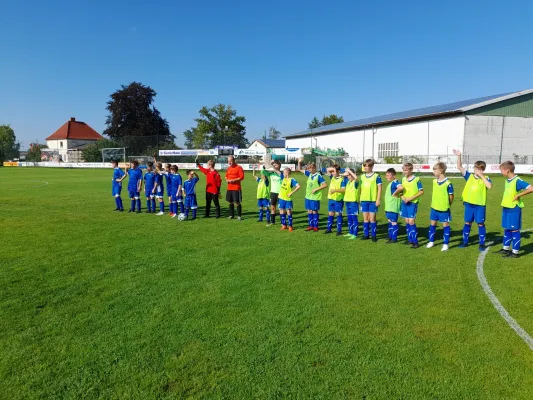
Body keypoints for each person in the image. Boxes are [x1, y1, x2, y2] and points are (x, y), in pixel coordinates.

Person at [453, 149, 492, 251]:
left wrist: (482, 176)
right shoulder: (469, 176)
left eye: (480, 169)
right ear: (474, 168)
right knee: (467, 223)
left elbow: (489, 186)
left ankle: (482, 244)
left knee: (480, 223)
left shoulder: (486, 178)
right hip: (469, 205)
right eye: (476, 168)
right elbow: (459, 167)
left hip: (480, 205)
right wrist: (459, 156)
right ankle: (465, 242)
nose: (478, 171)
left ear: (483, 170)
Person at [496, 161, 533, 258]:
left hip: (514, 209)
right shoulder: (507, 180)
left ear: (507, 170)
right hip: (506, 207)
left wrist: (518, 195)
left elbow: (531, 188)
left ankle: (515, 252)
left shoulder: (517, 180)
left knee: (514, 230)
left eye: (501, 170)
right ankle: (505, 249)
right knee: (507, 228)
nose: (501, 172)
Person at [426, 162, 454, 252]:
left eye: (435, 170)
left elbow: (451, 196)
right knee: (432, 224)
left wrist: (448, 204)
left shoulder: (448, 183)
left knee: (445, 225)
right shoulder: (434, 181)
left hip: (444, 209)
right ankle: (431, 241)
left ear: (441, 171)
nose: (433, 172)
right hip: (434, 208)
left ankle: (445, 244)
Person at [297, 159, 327, 232]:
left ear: (314, 168)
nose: (308, 169)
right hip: (308, 196)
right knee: (309, 211)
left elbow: (325, 185)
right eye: (308, 168)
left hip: (315, 197)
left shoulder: (318, 176)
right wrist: (299, 162)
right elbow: (299, 169)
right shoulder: (309, 174)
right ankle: (311, 226)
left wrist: (316, 189)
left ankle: (316, 227)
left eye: (310, 168)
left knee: (314, 211)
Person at [399, 162, 424, 248]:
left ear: (411, 170)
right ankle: (410, 240)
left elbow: (421, 191)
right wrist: (402, 197)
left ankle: (415, 242)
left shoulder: (416, 179)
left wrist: (411, 198)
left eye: (406, 170)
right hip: (404, 202)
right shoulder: (403, 179)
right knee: (406, 221)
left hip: (412, 203)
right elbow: (400, 191)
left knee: (411, 221)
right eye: (403, 170)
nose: (404, 172)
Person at [360, 159, 382, 241]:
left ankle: (373, 235)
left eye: (367, 166)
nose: (365, 167)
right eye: (364, 166)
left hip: (373, 201)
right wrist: (360, 199)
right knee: (365, 218)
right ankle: (366, 235)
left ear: (372, 166)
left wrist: (378, 199)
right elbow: (361, 189)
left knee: (372, 219)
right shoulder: (362, 177)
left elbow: (379, 188)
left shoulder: (376, 176)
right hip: (364, 200)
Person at [324, 164, 348, 236]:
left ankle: (339, 230)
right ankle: (329, 229)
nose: (332, 173)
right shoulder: (332, 177)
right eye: (332, 172)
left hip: (338, 200)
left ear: (338, 171)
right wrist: (333, 169)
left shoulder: (342, 179)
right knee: (330, 213)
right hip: (331, 199)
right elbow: (327, 169)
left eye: (334, 171)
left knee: (338, 214)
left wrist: (335, 190)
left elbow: (343, 190)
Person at [262, 160, 283, 226]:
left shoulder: (281, 174)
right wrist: (263, 167)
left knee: (281, 208)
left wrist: (271, 165)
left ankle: (283, 222)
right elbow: (263, 172)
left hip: (281, 193)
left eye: (276, 165)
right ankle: (272, 222)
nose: (275, 166)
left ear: (279, 166)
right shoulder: (271, 174)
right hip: (273, 193)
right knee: (273, 208)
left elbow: (277, 171)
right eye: (274, 165)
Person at [384, 168, 402, 243]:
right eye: (386, 175)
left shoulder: (395, 182)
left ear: (393, 175)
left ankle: (394, 238)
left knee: (393, 222)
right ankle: (390, 236)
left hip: (393, 207)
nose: (386, 177)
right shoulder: (391, 183)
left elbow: (401, 187)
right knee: (390, 221)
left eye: (388, 175)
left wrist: (395, 194)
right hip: (389, 207)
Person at [225, 155, 245, 220]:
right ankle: (231, 215)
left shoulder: (239, 167)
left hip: (236, 188)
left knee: (237, 202)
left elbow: (242, 177)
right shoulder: (228, 168)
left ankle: (239, 216)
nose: (229, 163)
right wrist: (226, 179)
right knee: (230, 201)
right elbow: (226, 176)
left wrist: (234, 180)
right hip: (229, 188)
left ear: (233, 160)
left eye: (230, 161)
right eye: (228, 161)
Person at [343, 168, 360, 239]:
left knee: (354, 218)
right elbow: (343, 175)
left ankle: (355, 234)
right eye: (348, 175)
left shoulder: (355, 183)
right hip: (348, 202)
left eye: (350, 175)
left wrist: (349, 171)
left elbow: (356, 178)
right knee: (349, 218)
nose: (348, 176)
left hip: (354, 203)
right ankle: (350, 232)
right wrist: (346, 173)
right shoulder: (348, 182)